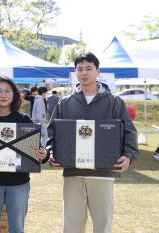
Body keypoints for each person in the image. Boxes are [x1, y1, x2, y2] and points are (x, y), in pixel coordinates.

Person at [47, 52, 139, 233]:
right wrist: (51, 153)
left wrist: (129, 155)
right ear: (75, 73)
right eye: (79, 69)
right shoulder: (65, 103)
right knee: (72, 224)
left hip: (103, 172)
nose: (84, 73)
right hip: (73, 172)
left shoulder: (114, 102)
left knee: (102, 224)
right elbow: (52, 133)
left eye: (89, 68)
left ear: (98, 71)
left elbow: (129, 132)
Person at [0, 76, 48, 233]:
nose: (3, 95)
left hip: (19, 183)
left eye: (7, 91)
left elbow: (38, 151)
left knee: (17, 228)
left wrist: (43, 154)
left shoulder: (24, 120)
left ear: (14, 94)